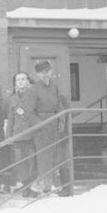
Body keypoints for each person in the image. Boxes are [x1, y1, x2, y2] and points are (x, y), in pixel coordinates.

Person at [32, 60, 71, 195]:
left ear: (51, 72)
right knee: (44, 156)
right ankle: (44, 186)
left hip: (54, 124)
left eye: (47, 72)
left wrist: (61, 120)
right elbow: (29, 111)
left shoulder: (54, 87)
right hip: (42, 126)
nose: (45, 75)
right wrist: (39, 124)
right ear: (37, 74)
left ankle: (53, 183)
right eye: (42, 73)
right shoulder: (33, 89)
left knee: (55, 154)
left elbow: (59, 105)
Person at [7, 72, 40, 197]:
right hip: (17, 135)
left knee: (32, 161)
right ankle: (25, 186)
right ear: (15, 83)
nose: (20, 82)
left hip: (30, 135)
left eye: (23, 79)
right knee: (20, 163)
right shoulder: (12, 99)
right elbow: (10, 119)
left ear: (27, 81)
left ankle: (32, 187)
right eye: (18, 80)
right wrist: (9, 136)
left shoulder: (33, 95)